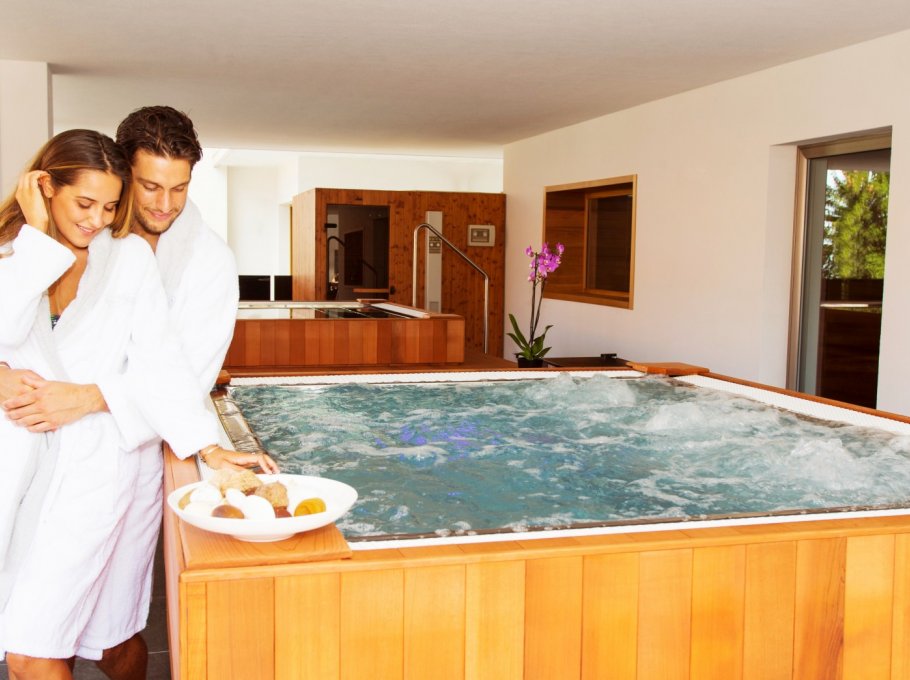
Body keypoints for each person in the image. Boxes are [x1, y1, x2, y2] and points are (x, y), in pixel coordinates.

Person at [0, 129, 277, 680]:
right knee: (55, 639)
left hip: (96, 469)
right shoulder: (16, 250)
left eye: (108, 206)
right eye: (85, 203)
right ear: (46, 186)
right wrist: (36, 244)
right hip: (19, 460)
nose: (96, 219)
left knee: (42, 648)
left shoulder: (131, 259)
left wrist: (208, 447)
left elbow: (165, 363)